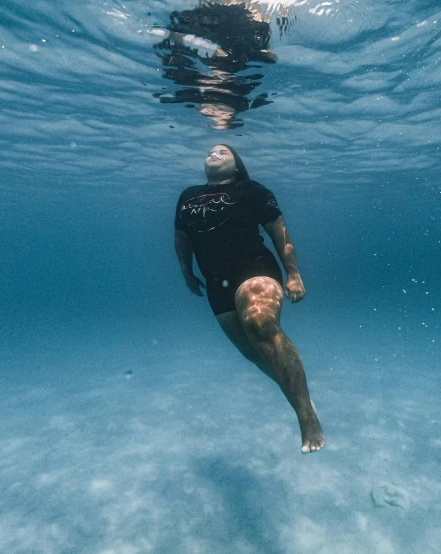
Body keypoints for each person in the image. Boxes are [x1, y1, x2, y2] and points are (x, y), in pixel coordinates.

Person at [174, 144, 325, 453]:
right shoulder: (187, 196)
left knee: (259, 323)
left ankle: (306, 417)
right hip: (217, 283)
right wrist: (187, 273)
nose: (214, 153)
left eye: (223, 151)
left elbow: (278, 231)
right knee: (253, 352)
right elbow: (181, 238)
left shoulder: (252, 189)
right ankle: (300, 396)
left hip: (253, 267)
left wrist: (293, 274)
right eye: (211, 151)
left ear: (237, 165)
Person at [153, 1, 278, 129]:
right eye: (223, 115)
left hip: (205, 18)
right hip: (237, 20)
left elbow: (168, 36)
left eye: (210, 118)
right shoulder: (243, 66)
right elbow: (267, 54)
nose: (213, 113)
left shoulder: (181, 76)